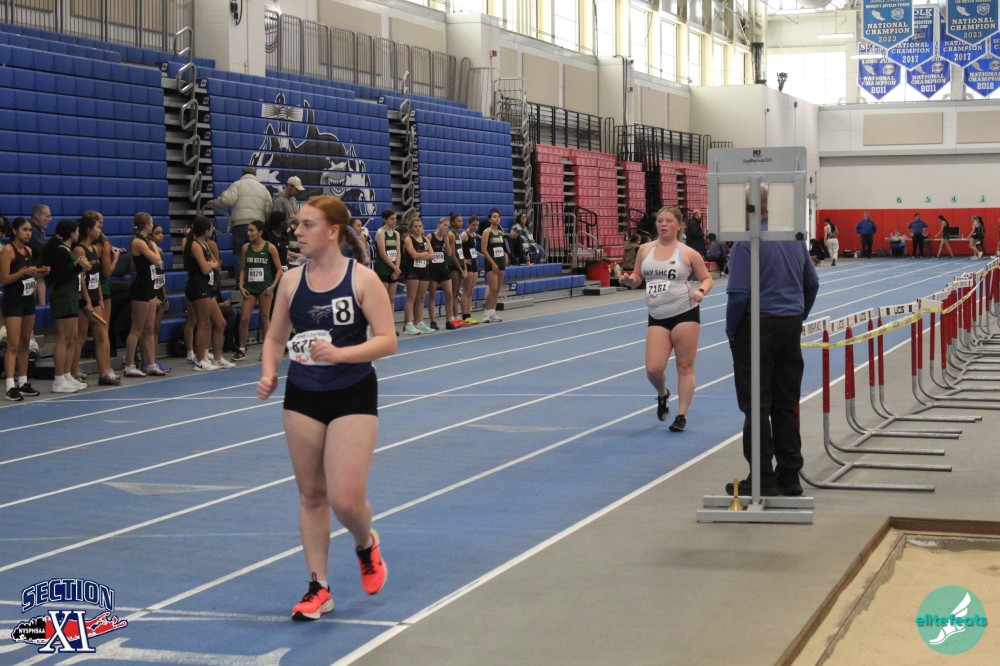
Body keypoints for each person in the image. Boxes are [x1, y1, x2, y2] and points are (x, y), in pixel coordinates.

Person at [256, 195, 394, 621]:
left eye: (307, 225)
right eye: (298, 225)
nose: (297, 231)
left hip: (352, 391)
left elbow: (387, 340)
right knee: (312, 495)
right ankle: (318, 587)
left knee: (346, 500)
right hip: (303, 394)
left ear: (333, 231)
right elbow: (275, 337)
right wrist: (269, 371)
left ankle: (365, 543)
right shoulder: (291, 281)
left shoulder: (362, 279)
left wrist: (340, 355)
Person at [725, 189, 819, 497]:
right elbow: (812, 283)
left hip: (757, 326)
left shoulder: (747, 242)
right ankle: (790, 475)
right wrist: (798, 315)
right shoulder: (794, 238)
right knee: (786, 403)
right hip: (789, 325)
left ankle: (762, 475)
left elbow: (738, 295)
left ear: (747, 209)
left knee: (756, 405)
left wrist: (731, 331)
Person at [620, 206, 712, 433]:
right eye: (660, 220)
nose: (663, 224)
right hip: (657, 315)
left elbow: (707, 278)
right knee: (653, 369)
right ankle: (663, 393)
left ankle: (681, 415)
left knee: (685, 366)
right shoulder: (645, 250)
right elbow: (638, 277)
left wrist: (701, 291)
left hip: (685, 313)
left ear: (678, 225)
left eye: (668, 221)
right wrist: (629, 281)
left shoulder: (688, 253)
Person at [42, 219, 88, 393]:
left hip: (71, 296)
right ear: (71, 233)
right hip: (63, 297)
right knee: (63, 338)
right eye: (77, 231)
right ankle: (59, 378)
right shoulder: (61, 251)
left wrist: (79, 267)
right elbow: (60, 277)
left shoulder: (68, 250)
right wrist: (78, 267)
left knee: (72, 338)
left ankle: (67, 374)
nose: (78, 234)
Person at [184, 215, 235, 371]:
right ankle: (200, 360)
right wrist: (212, 265)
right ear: (206, 230)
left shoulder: (205, 244)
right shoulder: (194, 245)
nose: (213, 230)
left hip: (207, 287)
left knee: (220, 322)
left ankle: (217, 357)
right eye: (211, 228)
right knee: (204, 323)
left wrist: (212, 264)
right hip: (197, 287)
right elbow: (206, 269)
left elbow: (217, 265)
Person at [1, 217, 43, 400]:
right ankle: (10, 385)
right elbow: (4, 279)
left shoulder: (29, 250)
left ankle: (24, 382)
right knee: (14, 344)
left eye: (30, 230)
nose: (28, 233)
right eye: (25, 230)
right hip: (13, 301)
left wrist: (39, 274)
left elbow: (30, 277)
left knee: (26, 342)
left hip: (27, 300)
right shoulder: (8, 250)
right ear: (15, 231)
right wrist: (22, 272)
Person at [122, 213, 165, 379]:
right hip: (140, 288)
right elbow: (157, 260)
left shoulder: (147, 241)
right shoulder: (138, 242)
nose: (152, 225)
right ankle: (129, 365)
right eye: (151, 223)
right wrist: (154, 247)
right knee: (136, 329)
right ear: (146, 225)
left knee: (149, 328)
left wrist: (153, 245)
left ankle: (151, 363)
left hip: (150, 287)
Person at [234, 220, 283, 361]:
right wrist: (241, 285)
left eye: (252, 230)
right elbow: (243, 269)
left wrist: (273, 286)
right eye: (248, 230)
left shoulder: (270, 248)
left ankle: (266, 350)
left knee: (265, 318)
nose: (248, 233)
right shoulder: (245, 248)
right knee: (244, 318)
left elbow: (279, 269)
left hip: (265, 288)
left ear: (260, 232)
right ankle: (241, 349)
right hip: (250, 288)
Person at [69, 214, 105, 387]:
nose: (100, 230)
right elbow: (81, 277)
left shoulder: (94, 249)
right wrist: (87, 300)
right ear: (89, 230)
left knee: (100, 332)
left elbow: (96, 275)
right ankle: (73, 372)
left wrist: (100, 297)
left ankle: (104, 371)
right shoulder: (79, 250)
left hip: (95, 295)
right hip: (84, 298)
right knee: (80, 337)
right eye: (97, 227)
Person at [207, 167, 273, 258]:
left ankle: (240, 268)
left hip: (240, 225)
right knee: (257, 252)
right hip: (257, 226)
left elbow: (227, 199)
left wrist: (215, 202)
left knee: (239, 253)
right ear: (255, 174)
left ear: (242, 174)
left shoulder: (237, 184)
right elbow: (268, 209)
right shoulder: (263, 188)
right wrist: (263, 221)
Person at [426, 217, 462, 330]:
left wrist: (446, 240)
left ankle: (448, 321)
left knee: (449, 294)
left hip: (443, 269)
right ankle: (432, 321)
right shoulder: (430, 236)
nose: (446, 228)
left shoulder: (446, 237)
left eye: (448, 226)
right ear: (439, 225)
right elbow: (427, 253)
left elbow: (450, 253)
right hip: (432, 269)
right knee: (432, 296)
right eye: (444, 225)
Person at [401, 216, 433, 335]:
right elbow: (413, 256)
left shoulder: (425, 239)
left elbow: (432, 255)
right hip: (412, 271)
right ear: (411, 228)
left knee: (421, 298)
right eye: (415, 226)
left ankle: (419, 323)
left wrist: (421, 254)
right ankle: (408, 324)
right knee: (411, 298)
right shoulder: (408, 239)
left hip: (424, 270)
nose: (418, 228)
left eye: (420, 226)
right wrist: (425, 254)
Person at [372, 210, 403, 329]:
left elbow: (398, 252)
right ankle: (381, 325)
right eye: (391, 219)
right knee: (383, 299)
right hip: (383, 269)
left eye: (395, 218)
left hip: (394, 269)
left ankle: (390, 325)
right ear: (385, 219)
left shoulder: (396, 234)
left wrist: (396, 269)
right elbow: (383, 254)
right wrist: (395, 268)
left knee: (391, 299)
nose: (394, 221)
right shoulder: (381, 233)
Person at [480, 208, 508, 323]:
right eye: (494, 217)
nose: (497, 219)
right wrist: (492, 263)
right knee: (493, 288)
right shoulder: (487, 232)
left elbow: (500, 247)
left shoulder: (500, 232)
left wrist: (505, 255)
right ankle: (486, 313)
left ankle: (493, 312)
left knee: (497, 290)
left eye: (498, 217)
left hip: (501, 262)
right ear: (490, 219)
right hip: (491, 263)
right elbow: (483, 249)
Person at [457, 215, 480, 325]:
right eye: (473, 225)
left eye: (477, 225)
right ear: (469, 224)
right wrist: (463, 260)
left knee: (471, 291)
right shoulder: (464, 235)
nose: (475, 227)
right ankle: (464, 316)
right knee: (466, 291)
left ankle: (469, 315)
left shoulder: (474, 235)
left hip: (474, 263)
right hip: (468, 264)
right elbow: (457, 247)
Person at [27, 204, 51, 305]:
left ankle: (42, 305)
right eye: (48, 216)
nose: (50, 219)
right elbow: (42, 249)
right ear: (37, 216)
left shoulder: (38, 229)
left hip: (37, 271)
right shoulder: (30, 229)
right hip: (28, 272)